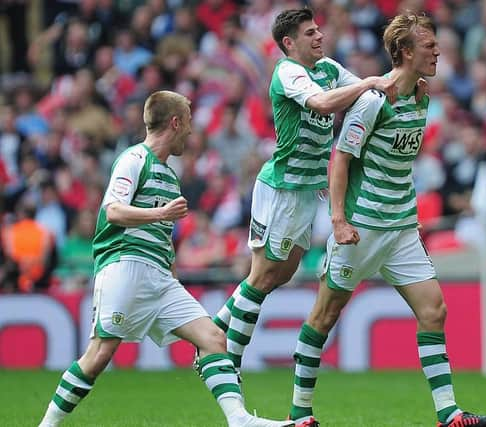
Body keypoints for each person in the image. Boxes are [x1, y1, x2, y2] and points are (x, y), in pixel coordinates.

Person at [286, 14, 486, 427]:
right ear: (405, 52)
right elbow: (341, 160)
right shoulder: (373, 101)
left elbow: (397, 162)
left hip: (402, 228)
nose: (437, 51)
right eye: (429, 45)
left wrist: (406, 212)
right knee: (324, 315)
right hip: (361, 229)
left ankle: (449, 415)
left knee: (434, 311)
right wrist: (338, 220)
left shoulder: (421, 97)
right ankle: (300, 415)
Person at [37, 90, 294, 427]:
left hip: (159, 276)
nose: (190, 132)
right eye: (187, 124)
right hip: (124, 265)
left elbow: (162, 237)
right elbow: (113, 211)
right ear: (175, 123)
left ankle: (239, 419)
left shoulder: (170, 177)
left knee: (214, 338)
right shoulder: (134, 159)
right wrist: (158, 214)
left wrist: (172, 273)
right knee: (100, 354)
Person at [208, 8, 402, 370]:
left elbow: (367, 94)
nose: (319, 37)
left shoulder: (328, 68)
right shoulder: (288, 73)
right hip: (281, 188)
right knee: (263, 275)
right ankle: (224, 360)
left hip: (307, 190)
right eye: (310, 33)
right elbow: (324, 102)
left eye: (318, 31)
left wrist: (402, 80)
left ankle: (213, 329)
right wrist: (370, 83)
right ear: (289, 42)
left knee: (280, 274)